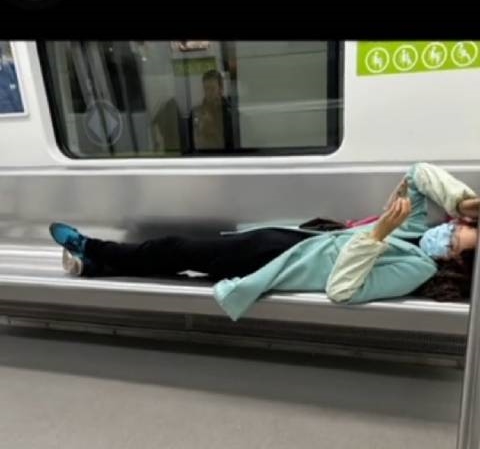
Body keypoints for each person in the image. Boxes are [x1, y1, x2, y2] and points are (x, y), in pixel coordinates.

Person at [49, 162, 480, 321]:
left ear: (458, 261)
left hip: (277, 261)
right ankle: (98, 266)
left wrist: (379, 233)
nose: (454, 227)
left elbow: (343, 289)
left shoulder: (417, 268)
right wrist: (463, 199)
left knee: (176, 249)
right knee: (182, 253)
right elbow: (419, 174)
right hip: (291, 239)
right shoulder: (415, 231)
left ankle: (94, 249)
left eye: (463, 235)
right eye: (463, 223)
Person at [189, 69, 234, 151]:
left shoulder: (231, 114)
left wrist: (213, 128)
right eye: (206, 89)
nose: (209, 93)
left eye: (212, 89)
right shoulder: (196, 113)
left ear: (221, 89)